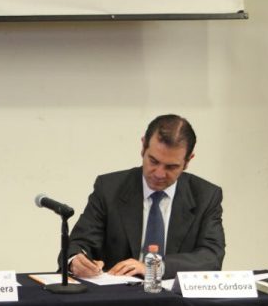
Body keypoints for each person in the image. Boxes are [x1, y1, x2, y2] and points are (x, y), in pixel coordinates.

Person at [66, 114, 225, 280]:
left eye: (171, 167)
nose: (159, 174)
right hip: (117, 292)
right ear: (143, 147)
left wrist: (153, 267)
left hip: (172, 294)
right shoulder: (109, 188)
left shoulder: (206, 196)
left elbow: (211, 257)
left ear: (188, 161)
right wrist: (75, 261)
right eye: (153, 161)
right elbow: (79, 243)